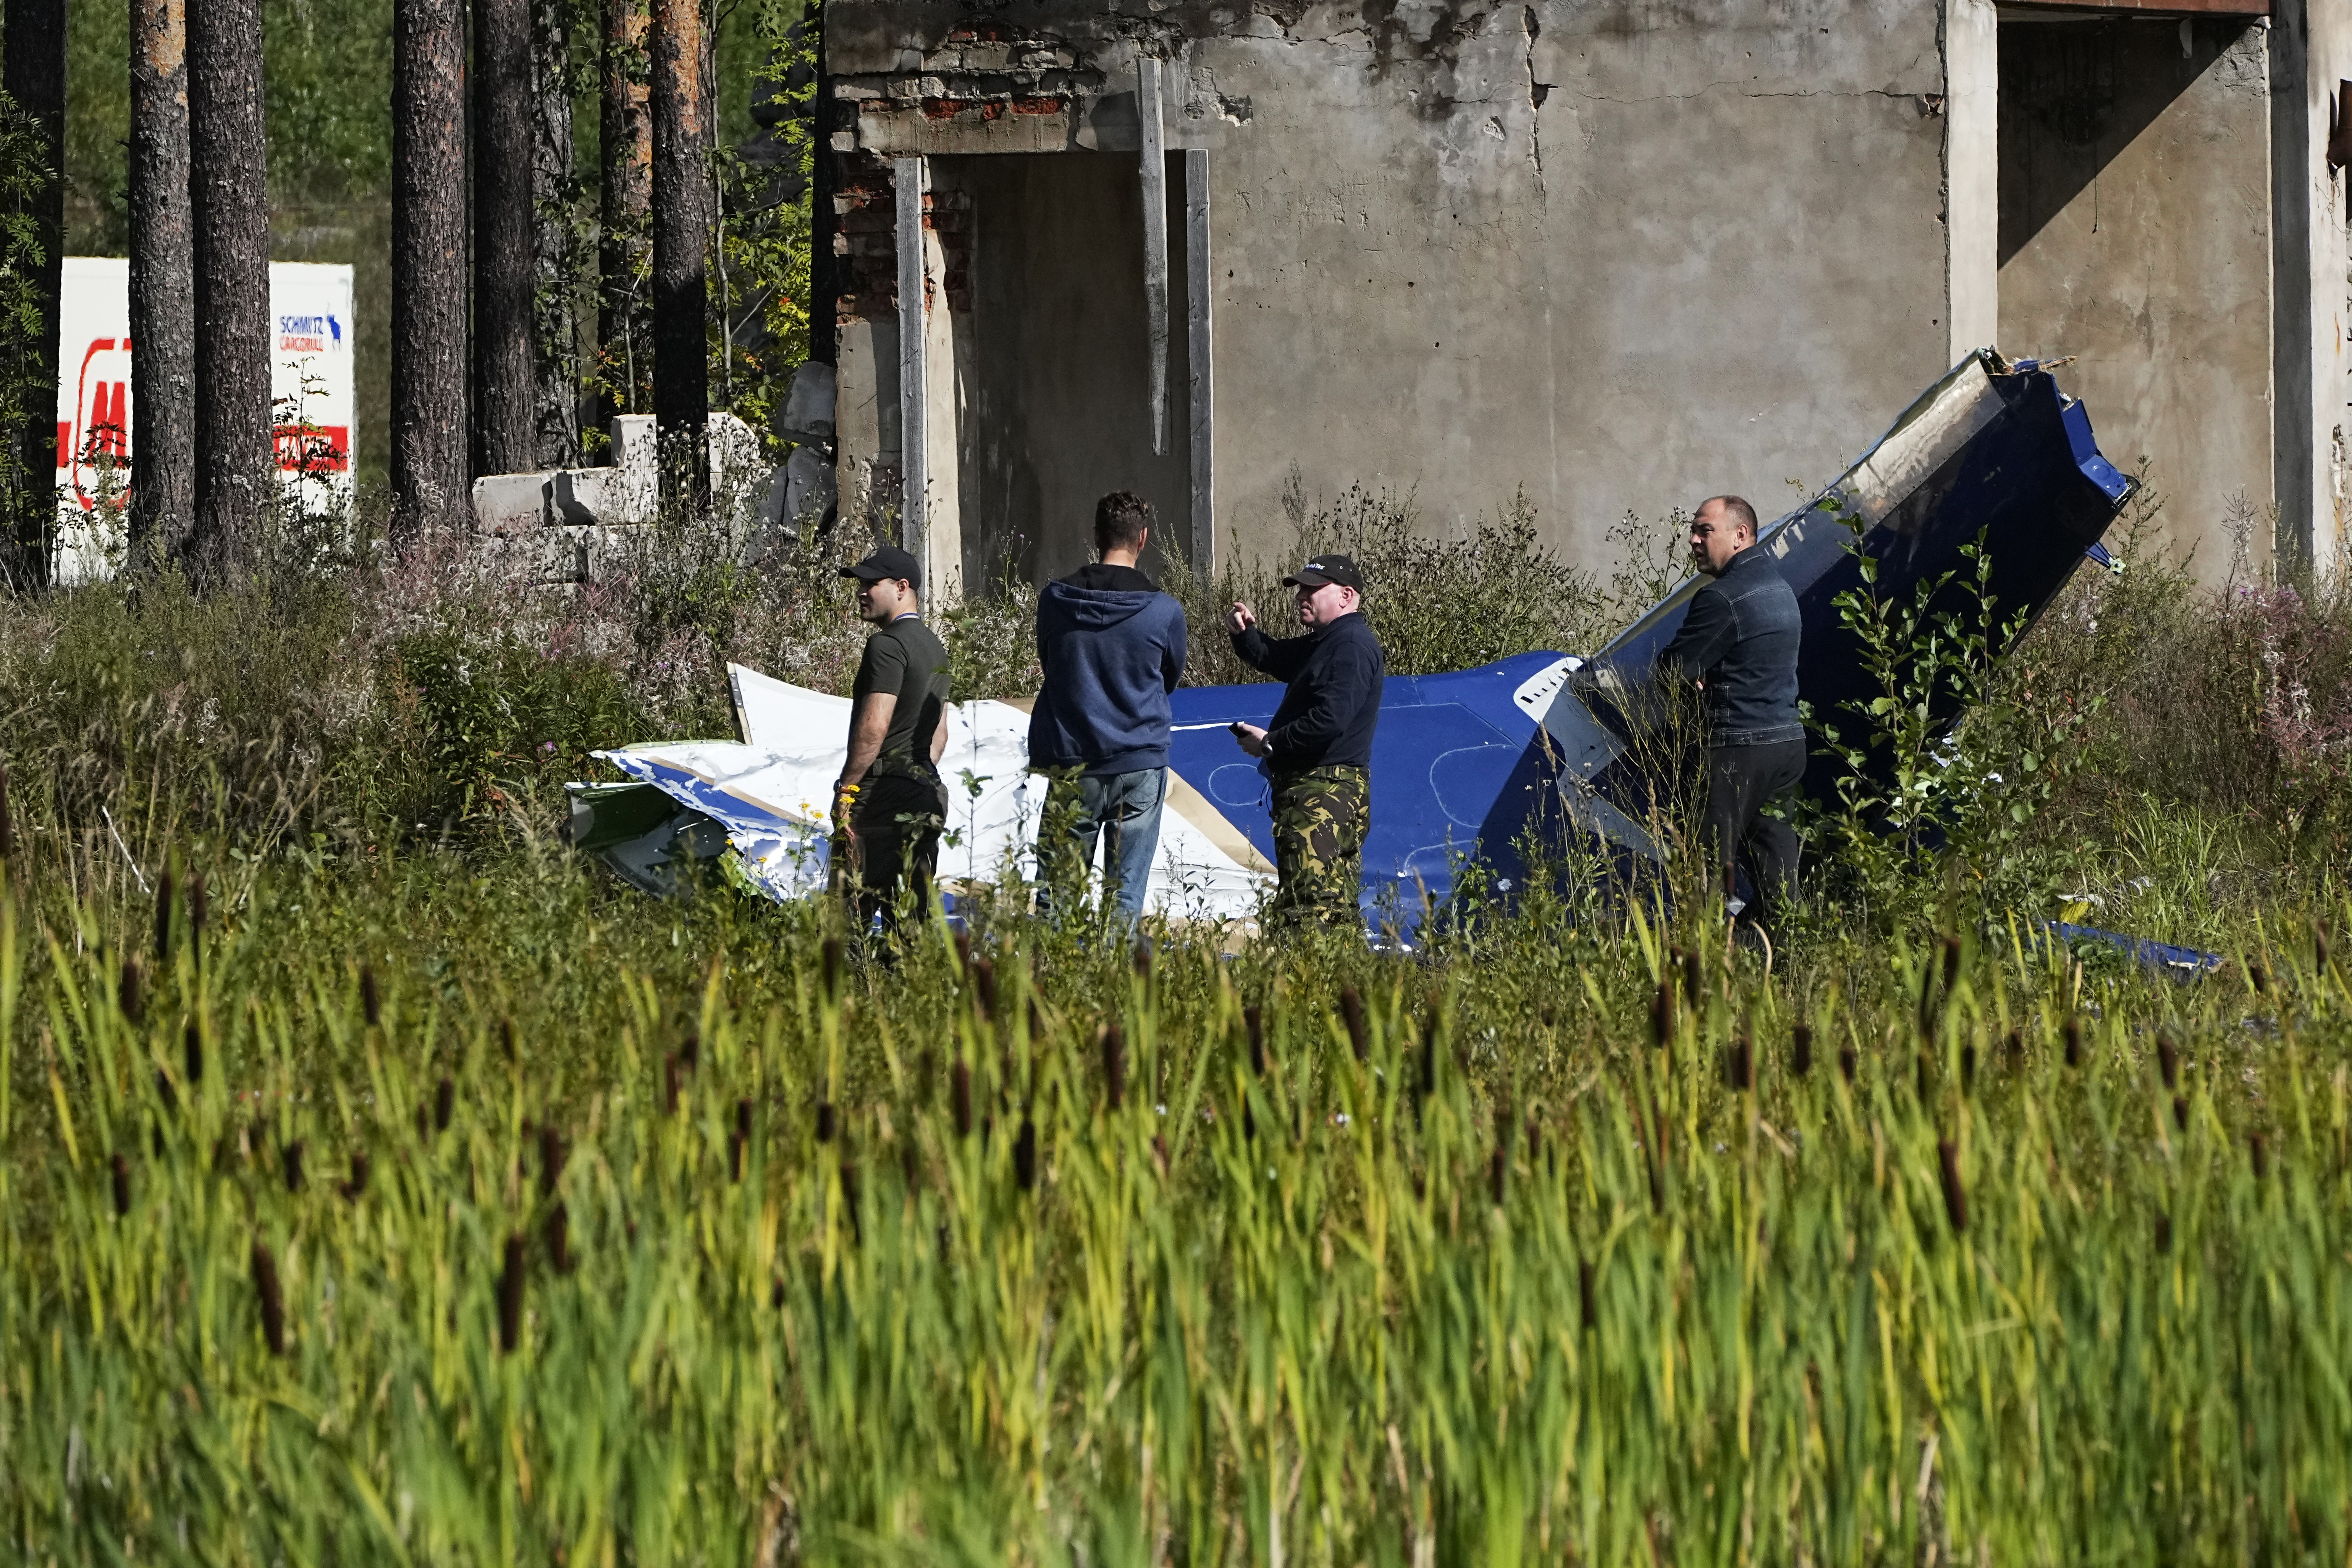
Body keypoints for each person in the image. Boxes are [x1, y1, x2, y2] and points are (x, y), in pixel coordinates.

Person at [1030, 491, 1190, 925]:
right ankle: (1115, 988)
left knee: (1057, 897)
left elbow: (1051, 664)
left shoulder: (1054, 600)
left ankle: (1047, 987)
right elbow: (1168, 679)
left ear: (1096, 536)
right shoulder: (1163, 611)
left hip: (1072, 759)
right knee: (1124, 899)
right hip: (1138, 761)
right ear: (1143, 538)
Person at [1658, 494, 1804, 930]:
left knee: (1703, 873)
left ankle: (1703, 969)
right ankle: (1793, 967)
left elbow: (1672, 672)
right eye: (1694, 530)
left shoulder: (1723, 598)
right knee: (1781, 879)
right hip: (1787, 746)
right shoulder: (1781, 590)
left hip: (1739, 749)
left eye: (1705, 530)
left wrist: (1690, 673)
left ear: (1741, 535)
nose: (1693, 540)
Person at [1226, 554, 1385, 931]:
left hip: (1324, 796)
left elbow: (1331, 719)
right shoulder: (1328, 643)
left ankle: (1313, 984)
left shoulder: (1349, 646)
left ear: (1347, 596)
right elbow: (1274, 656)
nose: (1302, 595)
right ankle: (1338, 983)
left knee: (1311, 913)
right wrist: (1245, 635)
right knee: (1326, 908)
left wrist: (1272, 743)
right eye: (1300, 588)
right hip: (1319, 793)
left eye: (1313, 589)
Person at [831, 544, 952, 943]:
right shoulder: (935, 647)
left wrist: (847, 790)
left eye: (872, 583)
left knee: (849, 921)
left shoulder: (886, 645)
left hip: (880, 797)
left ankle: (849, 1000)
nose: (861, 591)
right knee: (910, 926)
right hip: (925, 793)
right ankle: (912, 998)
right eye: (860, 584)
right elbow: (939, 735)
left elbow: (874, 727)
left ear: (902, 587)